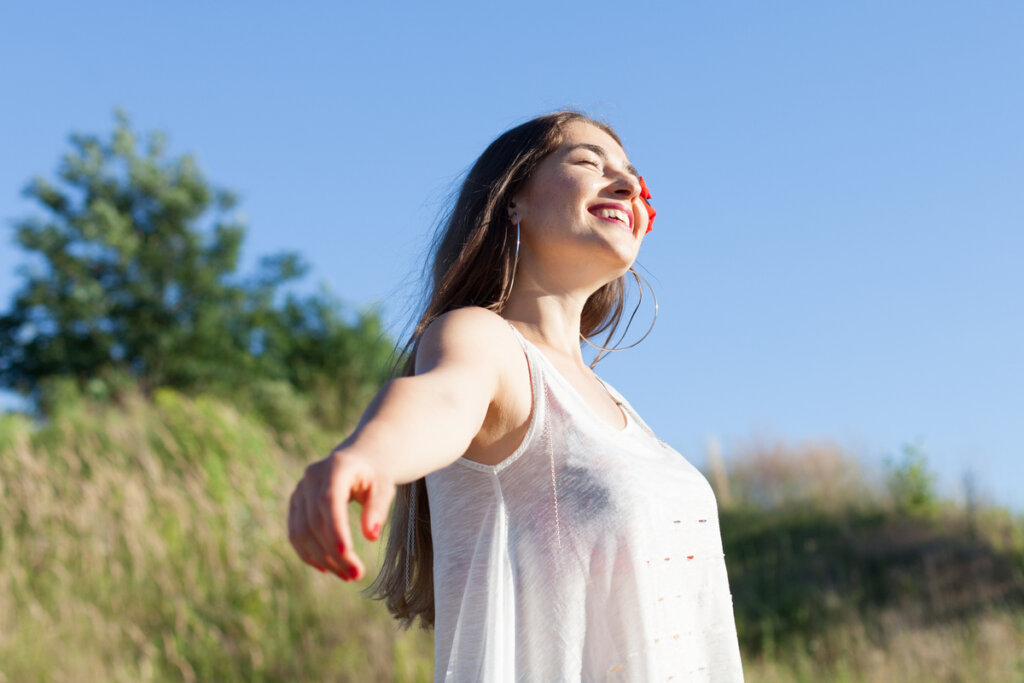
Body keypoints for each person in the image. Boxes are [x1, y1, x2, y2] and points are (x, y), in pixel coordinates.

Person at [287, 111, 745, 681]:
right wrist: (367, 455)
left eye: (631, 174)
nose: (626, 183)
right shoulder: (484, 339)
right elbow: (442, 398)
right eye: (587, 162)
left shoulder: (624, 412)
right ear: (512, 199)